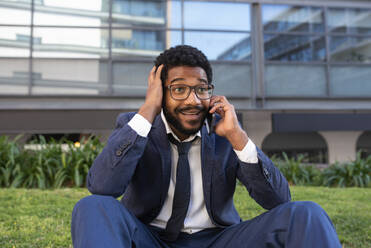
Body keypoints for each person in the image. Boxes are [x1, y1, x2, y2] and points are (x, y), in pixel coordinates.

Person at [71, 45, 341, 248]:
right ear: (160, 92)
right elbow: (103, 187)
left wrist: (237, 137)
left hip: (219, 241)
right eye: (178, 89)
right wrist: (148, 111)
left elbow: (278, 201)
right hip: (150, 239)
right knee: (92, 206)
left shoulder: (226, 131)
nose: (193, 100)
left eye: (201, 89)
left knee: (307, 213)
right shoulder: (137, 126)